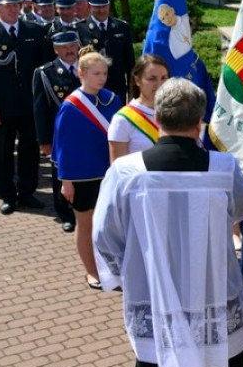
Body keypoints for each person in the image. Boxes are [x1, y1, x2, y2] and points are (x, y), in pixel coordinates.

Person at [93, 78, 243, 367]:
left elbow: (105, 235)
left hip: (156, 296)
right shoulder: (222, 168)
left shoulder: (125, 171)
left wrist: (123, 279)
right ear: (200, 121)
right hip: (214, 296)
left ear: (158, 119)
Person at [52, 49, 122, 288]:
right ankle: (92, 270)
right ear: (81, 73)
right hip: (81, 175)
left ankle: (112, 268)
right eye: (95, 73)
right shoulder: (71, 105)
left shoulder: (113, 100)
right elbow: (62, 145)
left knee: (111, 224)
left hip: (108, 172)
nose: (101, 78)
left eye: (104, 73)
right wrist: (66, 180)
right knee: (87, 223)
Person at [0, 0, 49, 215]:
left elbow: (43, 69)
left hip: (29, 104)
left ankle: (27, 192)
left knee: (29, 151)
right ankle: (6, 193)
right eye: (7, 6)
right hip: (2, 106)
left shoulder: (35, 31)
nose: (13, 9)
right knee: (2, 152)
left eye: (16, 5)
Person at [33, 31, 83, 233]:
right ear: (55, 49)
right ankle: (65, 214)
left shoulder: (88, 68)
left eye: (72, 45)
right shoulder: (45, 73)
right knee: (61, 174)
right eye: (63, 46)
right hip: (60, 134)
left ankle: (85, 210)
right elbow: (40, 109)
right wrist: (44, 140)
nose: (69, 50)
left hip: (86, 131)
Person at [75, 0, 135, 103]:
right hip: (92, 89)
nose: (101, 10)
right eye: (97, 7)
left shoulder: (121, 27)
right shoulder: (79, 29)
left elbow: (130, 63)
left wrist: (132, 91)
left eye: (104, 6)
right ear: (89, 6)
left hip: (117, 88)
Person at [108, 55, 170, 161]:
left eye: (164, 78)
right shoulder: (122, 119)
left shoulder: (177, 112)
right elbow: (117, 169)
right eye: (152, 79)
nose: (159, 84)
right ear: (137, 80)